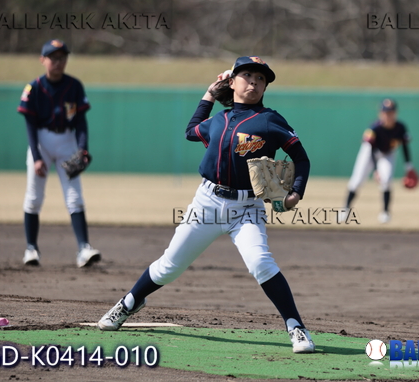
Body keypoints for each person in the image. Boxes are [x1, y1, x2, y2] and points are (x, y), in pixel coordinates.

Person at [97, 56, 315, 354]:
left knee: (261, 263)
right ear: (232, 81)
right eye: (247, 75)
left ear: (265, 87)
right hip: (207, 203)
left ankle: (296, 326)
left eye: (261, 79)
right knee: (168, 267)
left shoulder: (270, 120)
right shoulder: (218, 120)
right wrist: (209, 95)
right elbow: (191, 131)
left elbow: (301, 158)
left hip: (247, 208)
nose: (254, 82)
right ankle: (129, 303)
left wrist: (296, 193)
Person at [17, 39, 101, 268]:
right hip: (41, 141)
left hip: (66, 141)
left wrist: (82, 149)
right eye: (53, 57)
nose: (58, 61)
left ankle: (84, 248)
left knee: (74, 197)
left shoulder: (74, 85)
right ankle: (31, 249)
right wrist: (36, 157)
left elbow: (81, 121)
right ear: (42, 60)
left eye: (62, 57)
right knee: (34, 197)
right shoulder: (34, 88)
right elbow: (30, 125)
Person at [341, 99, 413, 224]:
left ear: (395, 113)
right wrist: (376, 170)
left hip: (388, 153)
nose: (388, 115)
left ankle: (385, 213)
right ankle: (345, 209)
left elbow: (405, 146)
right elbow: (372, 149)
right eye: (385, 112)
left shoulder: (400, 127)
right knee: (357, 180)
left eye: (390, 112)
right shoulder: (374, 128)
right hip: (369, 152)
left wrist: (409, 167)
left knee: (387, 180)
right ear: (381, 113)